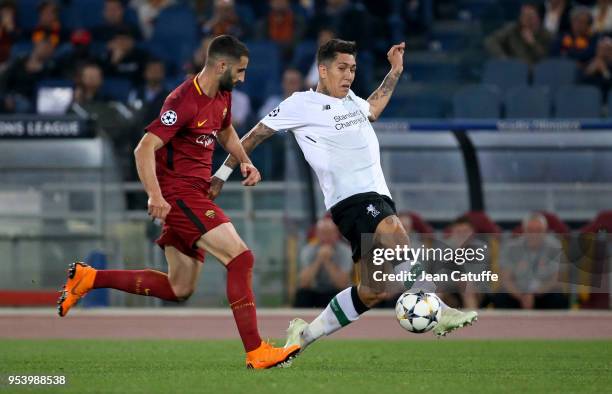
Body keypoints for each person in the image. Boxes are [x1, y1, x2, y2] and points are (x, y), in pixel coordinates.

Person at [209, 39, 478, 357]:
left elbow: (374, 108)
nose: (348, 75)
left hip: (378, 195)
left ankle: (301, 338)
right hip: (351, 198)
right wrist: (222, 176)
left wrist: (395, 71)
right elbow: (254, 136)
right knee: (395, 232)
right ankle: (440, 308)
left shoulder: (351, 99)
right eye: (341, 68)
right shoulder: (300, 104)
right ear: (322, 70)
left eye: (352, 68)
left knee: (373, 291)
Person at [57, 35, 300, 369]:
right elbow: (143, 149)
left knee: (179, 288)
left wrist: (244, 160)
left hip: (195, 195)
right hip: (179, 195)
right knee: (241, 258)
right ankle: (256, 351)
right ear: (222, 65)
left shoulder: (224, 95)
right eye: (240, 71)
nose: (243, 78)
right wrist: (155, 195)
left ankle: (89, 278)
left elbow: (226, 131)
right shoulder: (182, 99)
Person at [494, 213, 568, 309]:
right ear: (524, 231)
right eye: (530, 230)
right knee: (501, 298)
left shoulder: (555, 246)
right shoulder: (511, 248)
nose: (534, 234)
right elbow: (506, 279)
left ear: (545, 231)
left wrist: (535, 294)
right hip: (517, 293)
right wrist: (521, 296)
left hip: (544, 293)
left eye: (539, 230)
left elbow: (556, 279)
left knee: (558, 299)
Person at [294, 217, 352, 308]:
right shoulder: (308, 250)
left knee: (346, 295)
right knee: (302, 294)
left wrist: (327, 262)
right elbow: (304, 283)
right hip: (315, 291)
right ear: (317, 234)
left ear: (337, 234)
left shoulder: (345, 251)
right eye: (324, 233)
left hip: (336, 292)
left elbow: (342, 284)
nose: (327, 236)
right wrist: (319, 259)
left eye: (330, 233)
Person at [484, 2, 552, 65]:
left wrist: (533, 43)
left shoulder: (546, 35)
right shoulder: (512, 29)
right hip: (514, 70)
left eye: (529, 17)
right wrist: (502, 58)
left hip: (537, 72)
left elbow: (547, 59)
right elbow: (490, 41)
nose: (525, 19)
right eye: (523, 15)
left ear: (537, 18)